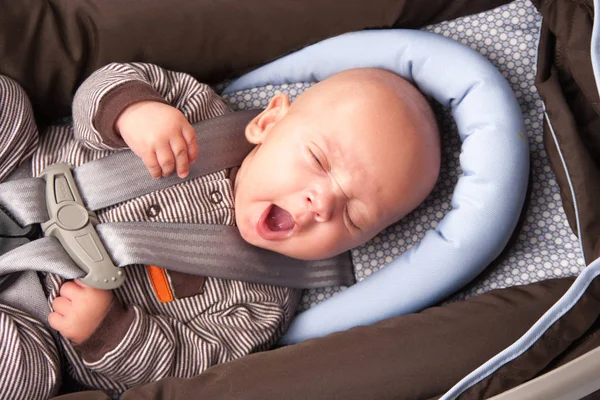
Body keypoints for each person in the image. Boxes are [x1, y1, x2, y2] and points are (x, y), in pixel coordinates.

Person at [0, 64, 440, 398]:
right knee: (9, 102)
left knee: (28, 377)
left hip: (31, 318)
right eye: (319, 162)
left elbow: (182, 365)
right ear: (268, 124)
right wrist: (133, 111)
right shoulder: (198, 113)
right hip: (18, 174)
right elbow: (109, 81)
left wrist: (108, 331)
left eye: (352, 216)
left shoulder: (260, 306)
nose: (320, 203)